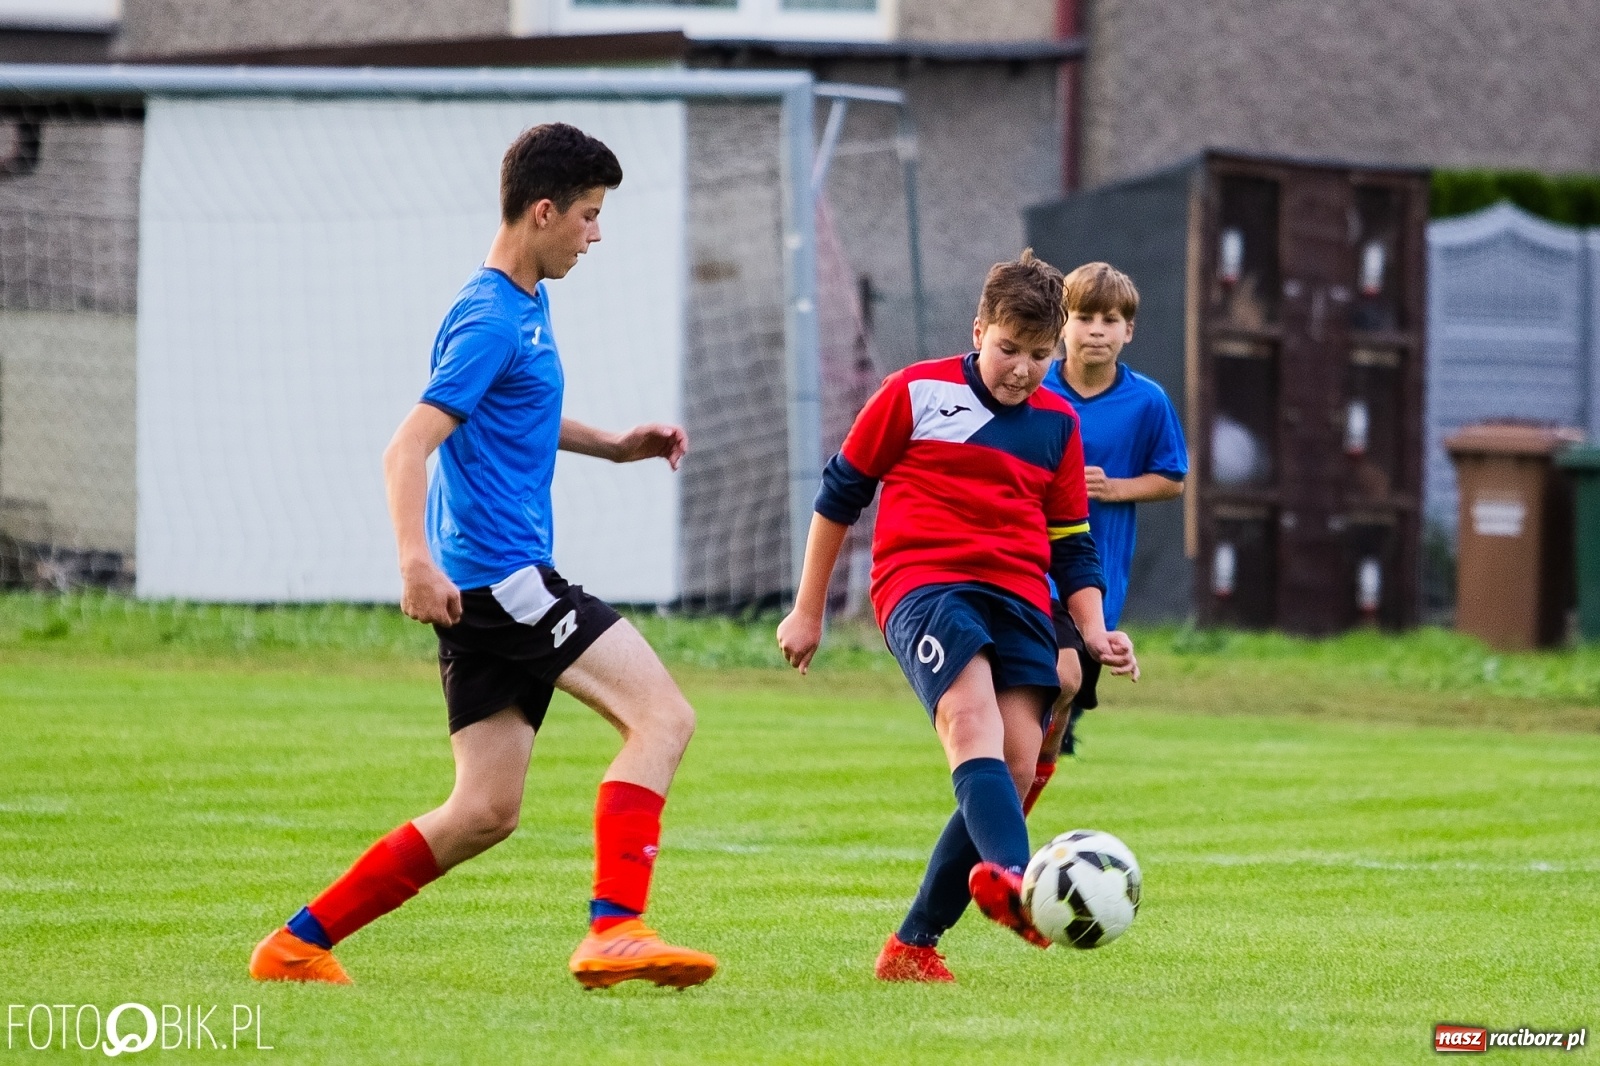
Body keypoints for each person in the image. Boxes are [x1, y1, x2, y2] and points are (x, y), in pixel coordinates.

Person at [249, 122, 718, 991]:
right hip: (506, 580)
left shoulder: (521, 303)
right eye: (588, 215)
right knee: (663, 719)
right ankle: (616, 928)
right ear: (543, 212)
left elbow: (512, 413)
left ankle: (295, 947)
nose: (595, 234)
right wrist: (412, 561)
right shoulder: (492, 318)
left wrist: (615, 446)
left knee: (484, 810)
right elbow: (406, 446)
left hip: (484, 590)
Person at [776, 251, 1137, 982]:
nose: (1022, 370)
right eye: (1008, 349)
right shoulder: (914, 393)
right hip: (924, 585)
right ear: (978, 331)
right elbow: (839, 497)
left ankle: (913, 946)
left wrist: (1095, 629)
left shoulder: (1059, 425)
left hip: (1020, 597)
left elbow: (1072, 544)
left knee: (1016, 761)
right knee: (970, 722)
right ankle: (1016, 880)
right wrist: (807, 611)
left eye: (1039, 356)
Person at [1023, 262, 1187, 816]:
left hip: (1095, 580)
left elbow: (1171, 478)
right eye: (1083, 317)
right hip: (1030, 569)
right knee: (1055, 678)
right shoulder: (1034, 387)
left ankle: (1029, 776)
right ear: (1061, 325)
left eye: (1109, 319)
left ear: (1128, 330)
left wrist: (1114, 488)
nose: (1096, 330)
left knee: (1062, 698)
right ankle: (1003, 794)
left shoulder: (1147, 402)